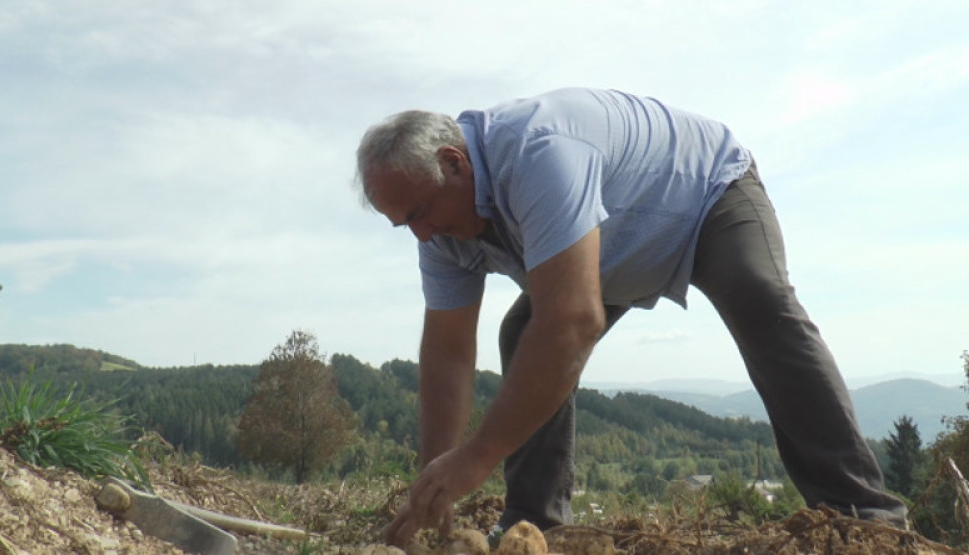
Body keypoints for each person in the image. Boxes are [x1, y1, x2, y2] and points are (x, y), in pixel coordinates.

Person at [354, 87, 908, 547]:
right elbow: (448, 352)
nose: (421, 235)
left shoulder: (538, 153)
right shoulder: (440, 232)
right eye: (405, 225)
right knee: (524, 332)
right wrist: (433, 482)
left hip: (703, 195)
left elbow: (572, 321)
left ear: (453, 162)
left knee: (761, 300)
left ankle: (864, 519)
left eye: (421, 213)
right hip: (609, 242)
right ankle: (535, 526)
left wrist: (477, 457)